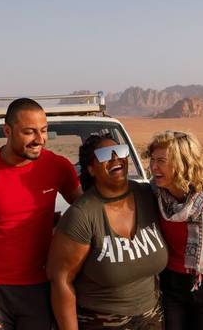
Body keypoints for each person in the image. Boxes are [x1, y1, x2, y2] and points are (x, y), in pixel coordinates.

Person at [0, 98, 83, 330]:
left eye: (43, 131)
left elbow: (85, 213)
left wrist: (64, 228)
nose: (40, 139)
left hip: (41, 285)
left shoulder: (58, 167)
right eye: (29, 132)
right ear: (7, 131)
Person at [47, 133, 168, 330]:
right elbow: (61, 279)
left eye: (120, 151)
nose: (115, 157)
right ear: (91, 169)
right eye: (104, 154)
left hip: (152, 317)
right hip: (102, 321)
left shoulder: (147, 196)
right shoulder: (82, 215)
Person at [144, 130, 203, 329]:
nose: (154, 167)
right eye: (152, 160)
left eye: (161, 161)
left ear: (183, 163)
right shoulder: (156, 196)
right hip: (171, 285)